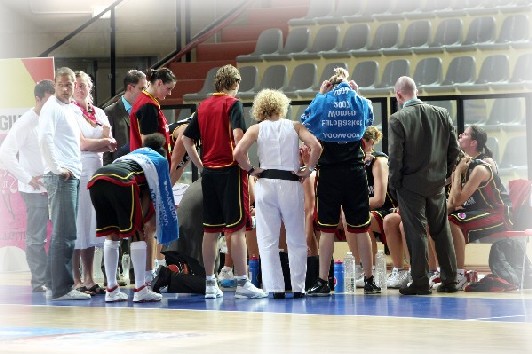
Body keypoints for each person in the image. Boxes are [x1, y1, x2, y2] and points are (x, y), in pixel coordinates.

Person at [182, 64, 267, 299]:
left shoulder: (203, 106)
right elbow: (239, 137)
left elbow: (187, 140)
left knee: (210, 230)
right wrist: (248, 167)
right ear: (235, 84)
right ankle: (242, 282)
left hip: (209, 173)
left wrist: (200, 164)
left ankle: (210, 283)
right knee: (236, 229)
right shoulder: (233, 104)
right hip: (230, 171)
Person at [233, 89, 322, 299]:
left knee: (268, 238)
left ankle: (276, 288)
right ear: (282, 106)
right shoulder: (295, 126)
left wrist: (250, 169)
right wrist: (309, 168)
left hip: (266, 183)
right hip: (291, 183)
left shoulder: (256, 129)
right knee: (296, 237)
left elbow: (238, 153)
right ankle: (299, 287)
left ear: (260, 108)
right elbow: (316, 146)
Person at [301, 67, 379, 296]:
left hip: (330, 173)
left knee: (326, 230)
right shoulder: (358, 100)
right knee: (361, 229)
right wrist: (359, 92)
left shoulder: (324, 101)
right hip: (355, 171)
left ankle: (323, 281)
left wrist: (320, 94)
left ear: (330, 85)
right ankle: (370, 280)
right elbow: (370, 118)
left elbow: (306, 119)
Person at [388, 76, 460, 295]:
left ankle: (420, 282)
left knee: (416, 232)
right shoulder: (442, 114)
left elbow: (396, 158)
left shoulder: (397, 119)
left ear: (399, 95)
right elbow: (454, 150)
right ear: (417, 91)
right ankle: (450, 281)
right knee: (441, 230)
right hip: (436, 183)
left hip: (410, 185)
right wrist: (444, 175)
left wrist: (395, 185)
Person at [88, 133, 178, 302]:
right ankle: (140, 288)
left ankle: (112, 289)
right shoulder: (158, 160)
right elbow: (154, 194)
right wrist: (142, 221)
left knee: (112, 234)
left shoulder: (132, 155)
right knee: (137, 232)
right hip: (122, 182)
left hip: (97, 178)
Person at [38, 67, 89, 300]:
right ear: (55, 85)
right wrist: (57, 168)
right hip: (62, 177)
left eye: (71, 84)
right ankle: (62, 288)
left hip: (71, 174)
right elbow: (45, 138)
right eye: (63, 84)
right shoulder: (51, 107)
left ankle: (53, 284)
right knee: (65, 233)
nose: (68, 88)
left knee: (63, 232)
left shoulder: (69, 109)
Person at [0, 80, 55, 292]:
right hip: (35, 191)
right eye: (47, 101)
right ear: (38, 99)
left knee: (56, 235)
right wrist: (26, 177)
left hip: (53, 186)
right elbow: (5, 151)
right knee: (36, 237)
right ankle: (40, 280)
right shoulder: (26, 122)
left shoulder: (50, 120)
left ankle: (52, 279)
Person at [71, 70, 117, 295]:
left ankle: (89, 276)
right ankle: (76, 278)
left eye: (83, 84)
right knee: (79, 223)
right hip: (79, 169)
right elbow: (82, 144)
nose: (80, 88)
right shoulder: (70, 111)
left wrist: (100, 142)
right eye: (76, 85)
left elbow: (110, 139)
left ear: (90, 86)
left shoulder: (98, 112)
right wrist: (102, 142)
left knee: (91, 226)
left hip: (97, 170)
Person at [129, 67, 176, 283]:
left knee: (149, 224)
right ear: (158, 83)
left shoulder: (149, 103)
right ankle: (146, 275)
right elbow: (150, 142)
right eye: (167, 88)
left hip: (145, 170)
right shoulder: (147, 105)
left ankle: (147, 273)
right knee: (148, 224)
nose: (168, 93)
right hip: (146, 171)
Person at [447, 154, 512, 289]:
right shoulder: (457, 174)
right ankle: (439, 271)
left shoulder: (479, 170)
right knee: (439, 223)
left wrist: (458, 172)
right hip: (480, 213)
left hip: (498, 213)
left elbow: (458, 200)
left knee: (452, 221)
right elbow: (451, 204)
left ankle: (460, 274)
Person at [103, 70, 147, 165]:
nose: (145, 93)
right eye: (142, 89)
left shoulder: (146, 110)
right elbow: (106, 149)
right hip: (119, 168)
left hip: (141, 167)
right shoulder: (110, 112)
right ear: (130, 88)